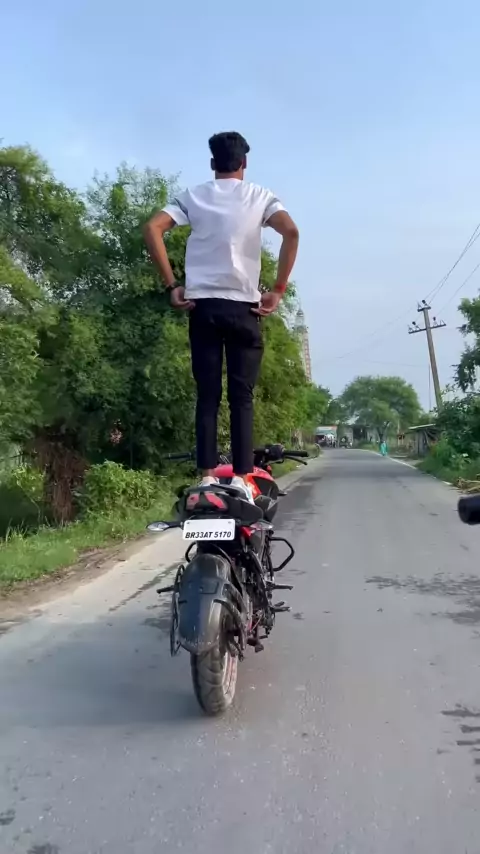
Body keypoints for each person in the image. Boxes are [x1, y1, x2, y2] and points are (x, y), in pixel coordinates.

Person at [144, 131, 299, 500]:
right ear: (244, 163)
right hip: (245, 308)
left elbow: (152, 228)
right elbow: (291, 232)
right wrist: (277, 290)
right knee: (242, 397)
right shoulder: (261, 196)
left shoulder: (194, 196)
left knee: (208, 395)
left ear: (213, 163)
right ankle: (242, 478)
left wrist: (172, 285)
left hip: (204, 307)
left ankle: (207, 477)